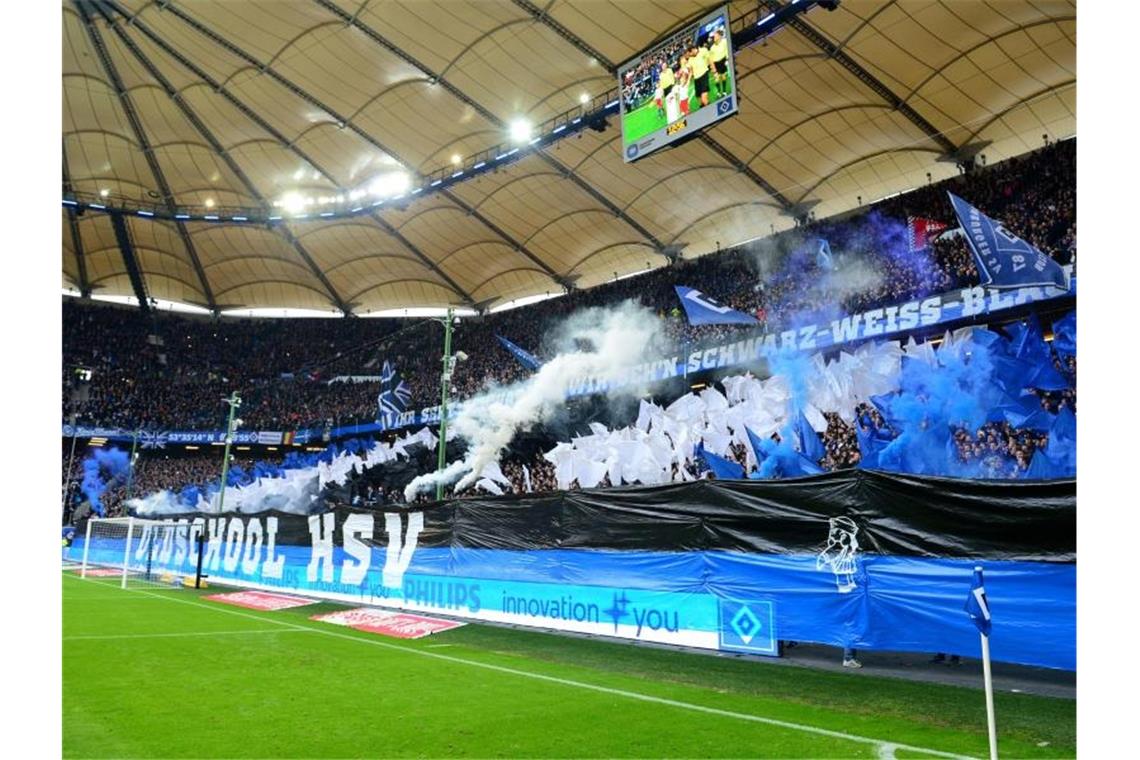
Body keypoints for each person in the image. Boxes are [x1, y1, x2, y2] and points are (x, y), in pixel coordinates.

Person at [709, 29, 730, 98]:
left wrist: (727, 59)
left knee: (723, 77)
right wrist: (713, 67)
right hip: (716, 63)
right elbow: (711, 59)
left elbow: (727, 50)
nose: (714, 37)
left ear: (719, 36)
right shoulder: (712, 47)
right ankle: (718, 92)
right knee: (716, 79)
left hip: (723, 61)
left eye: (715, 36)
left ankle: (724, 91)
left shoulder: (724, 42)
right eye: (714, 36)